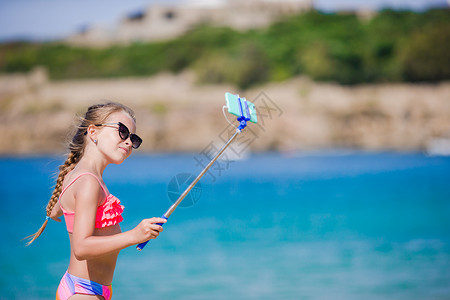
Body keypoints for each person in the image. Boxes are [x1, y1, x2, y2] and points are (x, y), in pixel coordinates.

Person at [25, 102, 166, 300]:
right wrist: (135, 234)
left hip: (83, 287)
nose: (128, 142)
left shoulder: (78, 175)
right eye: (122, 131)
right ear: (93, 132)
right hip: (84, 293)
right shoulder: (88, 182)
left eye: (133, 138)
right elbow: (81, 248)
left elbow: (57, 211)